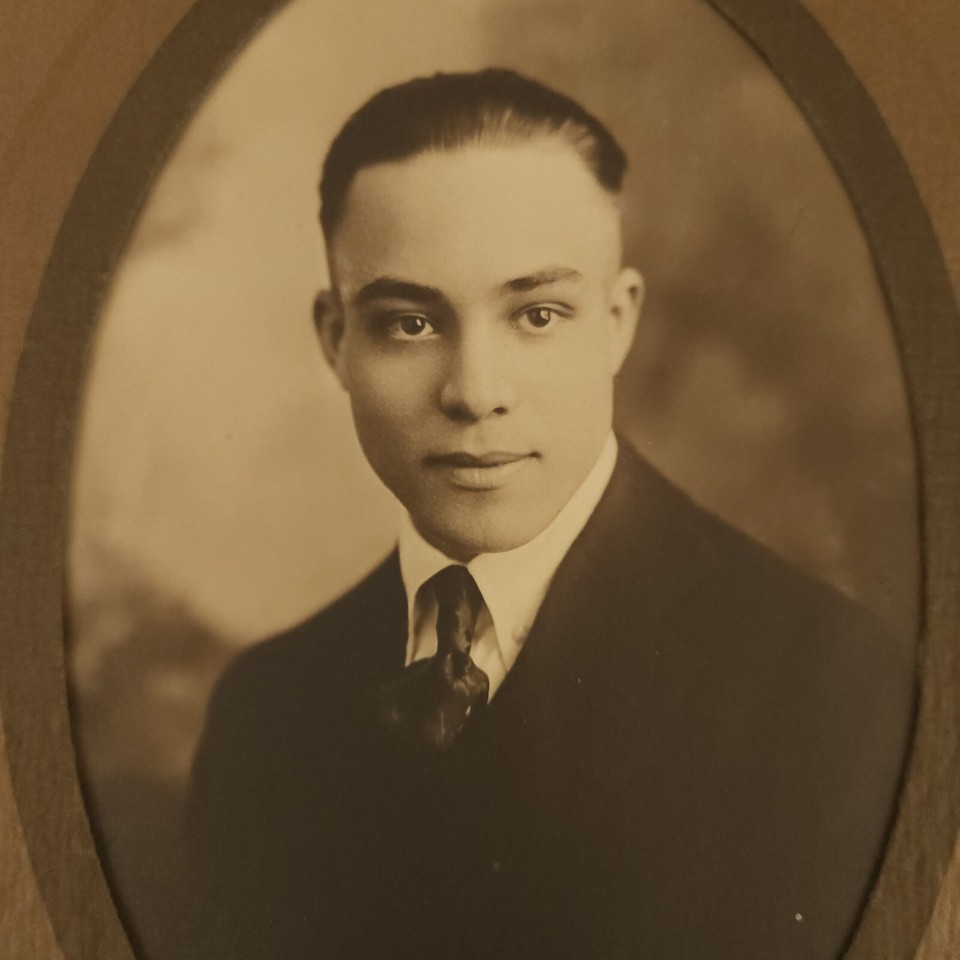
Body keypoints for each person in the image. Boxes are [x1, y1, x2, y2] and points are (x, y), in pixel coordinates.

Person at [184, 68, 915, 960]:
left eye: (537, 315)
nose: (475, 392)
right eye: (410, 324)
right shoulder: (266, 711)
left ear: (617, 322)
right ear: (336, 341)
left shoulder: (832, 693)